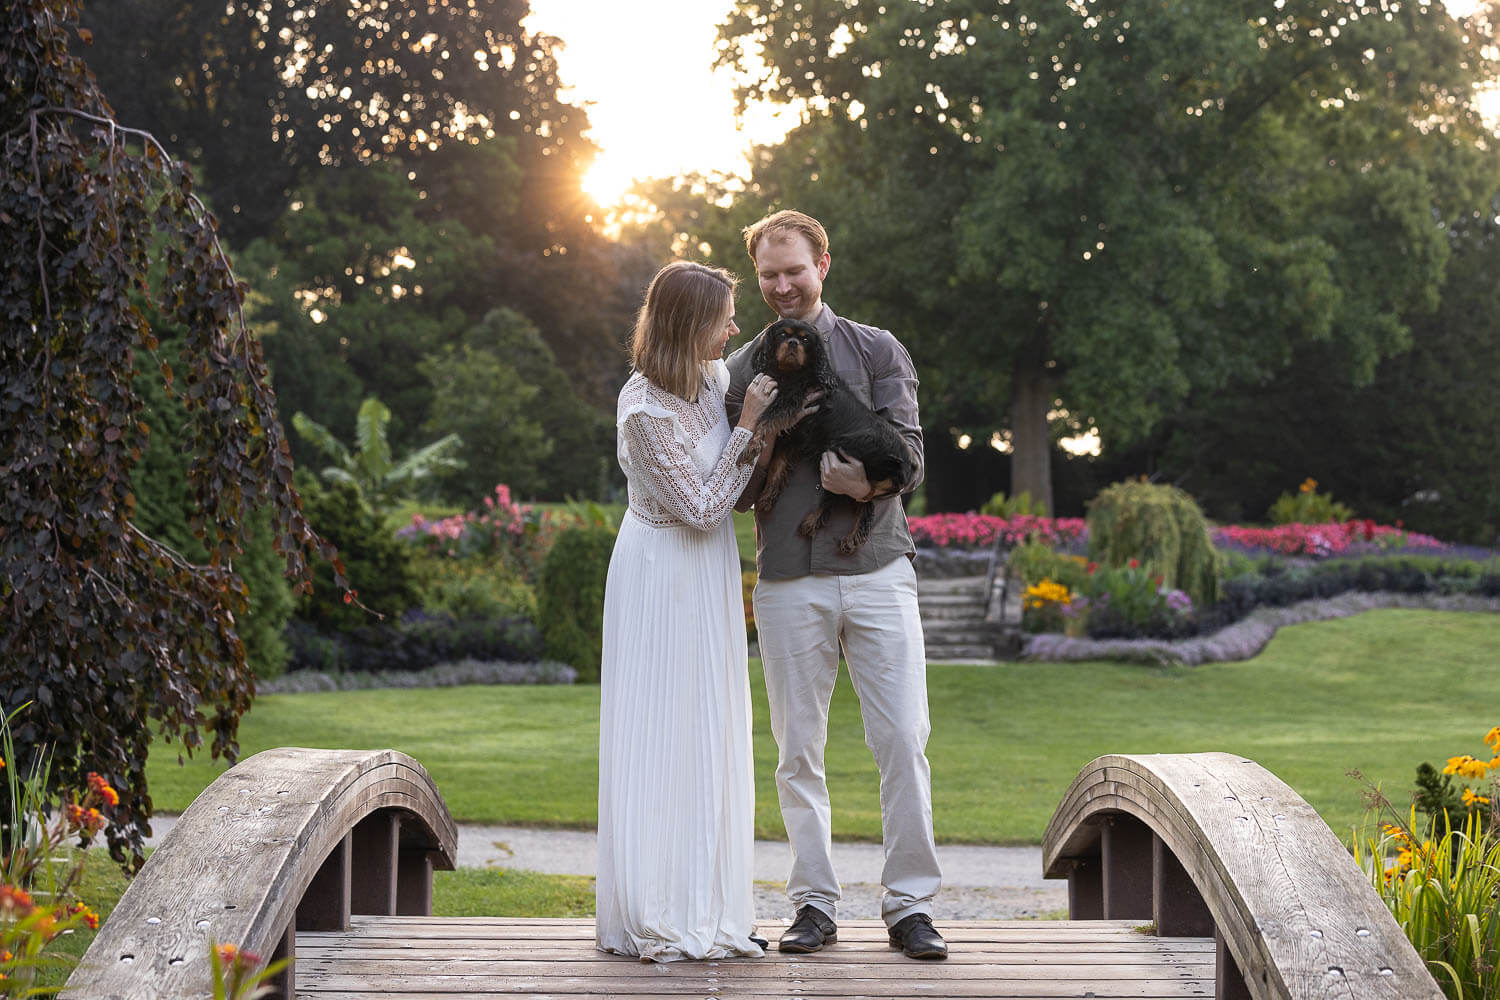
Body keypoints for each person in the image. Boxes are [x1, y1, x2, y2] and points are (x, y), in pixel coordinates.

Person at [724, 210, 947, 960]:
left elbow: (911, 454)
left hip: (881, 569)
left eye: (794, 269)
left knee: (904, 738)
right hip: (787, 577)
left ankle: (910, 906)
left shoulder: (878, 349)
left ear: (824, 263)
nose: (782, 286)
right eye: (768, 274)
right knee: (797, 750)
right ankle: (814, 904)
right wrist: (761, 440)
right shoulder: (739, 372)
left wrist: (865, 484)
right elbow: (730, 486)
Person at [595, 259, 781, 962]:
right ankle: (657, 909)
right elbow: (704, 507)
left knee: (711, 727)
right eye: (725, 317)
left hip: (706, 573)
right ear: (689, 324)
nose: (735, 329)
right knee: (664, 730)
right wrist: (752, 427)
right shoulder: (643, 409)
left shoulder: (712, 380)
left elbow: (722, 495)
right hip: (662, 570)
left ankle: (712, 902)